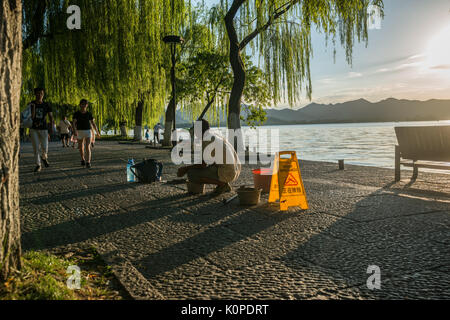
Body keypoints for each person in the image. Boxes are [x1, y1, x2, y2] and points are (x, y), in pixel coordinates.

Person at [177, 119, 241, 195]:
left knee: (192, 174)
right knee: (206, 168)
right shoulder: (215, 135)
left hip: (228, 173)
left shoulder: (206, 140)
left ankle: (223, 185)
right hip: (236, 170)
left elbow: (203, 165)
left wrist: (185, 169)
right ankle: (222, 184)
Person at [29, 88, 54, 172]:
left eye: (41, 93)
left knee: (45, 147)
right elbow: (30, 116)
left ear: (43, 95)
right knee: (36, 148)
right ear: (35, 94)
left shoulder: (46, 105)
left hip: (44, 128)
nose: (39, 95)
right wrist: (33, 108)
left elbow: (51, 117)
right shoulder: (31, 104)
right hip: (34, 129)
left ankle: (44, 158)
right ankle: (38, 164)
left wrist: (51, 128)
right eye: (37, 93)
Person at [72, 99, 100, 168]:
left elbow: (93, 123)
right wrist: (75, 131)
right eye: (82, 104)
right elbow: (73, 123)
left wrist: (97, 132)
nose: (83, 105)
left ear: (87, 105)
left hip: (88, 131)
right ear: (80, 105)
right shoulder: (76, 113)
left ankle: (88, 162)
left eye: (85, 104)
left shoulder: (89, 114)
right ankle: (82, 159)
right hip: (79, 131)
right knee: (81, 147)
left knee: (88, 147)